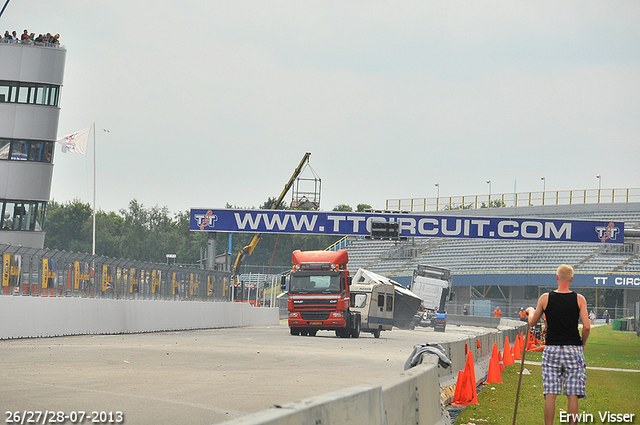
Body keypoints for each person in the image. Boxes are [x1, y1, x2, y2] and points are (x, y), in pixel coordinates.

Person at [526, 264, 590, 425]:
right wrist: (582, 344)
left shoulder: (545, 298)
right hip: (573, 348)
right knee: (573, 394)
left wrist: (530, 312)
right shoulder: (579, 299)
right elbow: (587, 326)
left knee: (550, 393)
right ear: (571, 279)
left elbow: (533, 322)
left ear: (557, 278)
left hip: (552, 348)